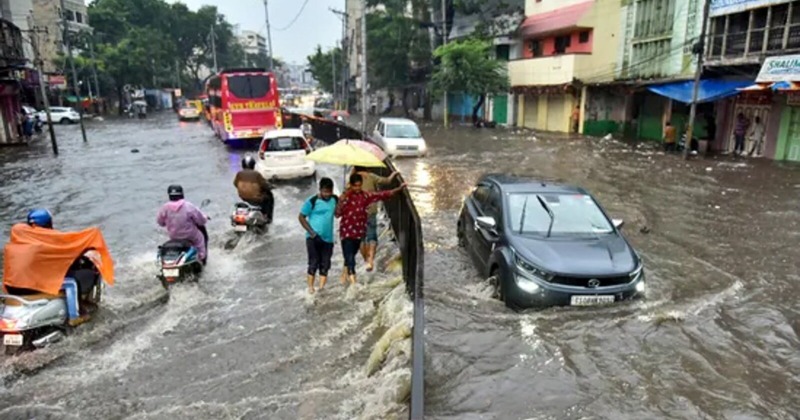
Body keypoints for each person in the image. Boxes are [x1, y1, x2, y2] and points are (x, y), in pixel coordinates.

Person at [336, 173, 406, 285]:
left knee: (350, 255)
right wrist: (341, 201)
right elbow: (337, 214)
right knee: (350, 257)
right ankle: (353, 284)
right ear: (351, 185)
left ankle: (346, 276)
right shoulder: (345, 197)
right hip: (346, 232)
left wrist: (398, 189)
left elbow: (382, 195)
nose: (357, 188)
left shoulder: (365, 196)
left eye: (359, 185)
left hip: (359, 233)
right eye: (355, 186)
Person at [350, 166, 400, 272]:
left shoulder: (352, 178)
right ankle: (371, 261)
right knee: (372, 236)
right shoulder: (371, 176)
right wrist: (393, 174)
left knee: (361, 238)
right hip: (371, 210)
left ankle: (366, 260)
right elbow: (386, 181)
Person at [298, 177, 337, 294]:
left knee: (325, 264)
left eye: (329, 192)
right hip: (313, 238)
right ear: (320, 190)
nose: (327, 194)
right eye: (325, 192)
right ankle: (310, 288)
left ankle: (321, 289)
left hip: (328, 239)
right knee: (313, 263)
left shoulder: (334, 199)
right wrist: (312, 233)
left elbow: (338, 213)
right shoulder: (312, 201)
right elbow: (301, 217)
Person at [156, 185, 209, 264]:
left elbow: (160, 222)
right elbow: (200, 220)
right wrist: (205, 218)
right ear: (182, 194)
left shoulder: (165, 208)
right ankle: (202, 258)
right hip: (190, 235)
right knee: (200, 238)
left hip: (174, 236)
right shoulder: (188, 206)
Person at [233, 155, 274, 223]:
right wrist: (271, 186)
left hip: (243, 197)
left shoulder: (239, 174)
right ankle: (267, 218)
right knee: (269, 197)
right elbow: (265, 185)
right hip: (256, 199)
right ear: (253, 165)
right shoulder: (256, 174)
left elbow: (235, 184)